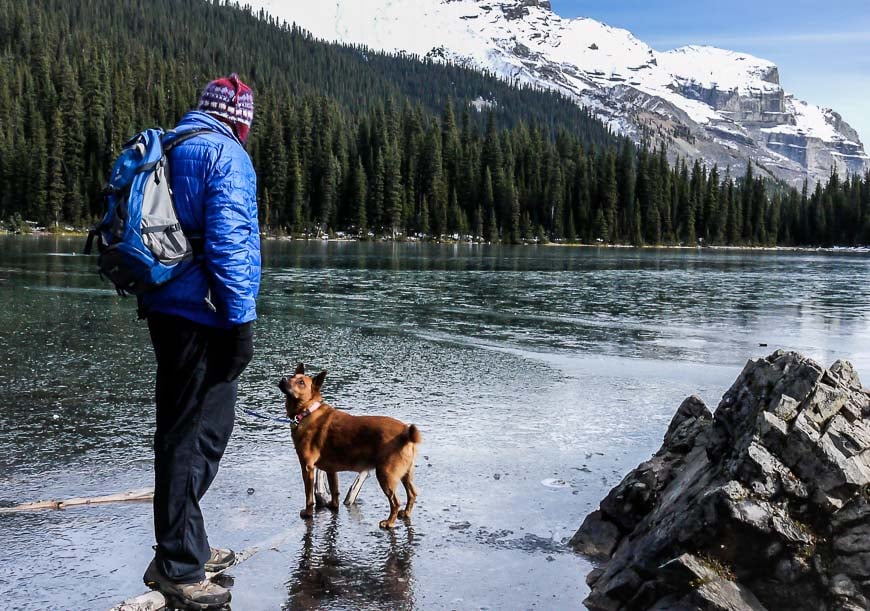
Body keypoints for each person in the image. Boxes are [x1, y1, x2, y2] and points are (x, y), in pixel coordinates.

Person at [139, 73, 260, 609]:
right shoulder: (225, 155)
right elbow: (231, 244)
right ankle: (178, 567)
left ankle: (185, 543)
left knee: (185, 431)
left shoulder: (171, 142)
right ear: (239, 120)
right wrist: (241, 324)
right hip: (204, 317)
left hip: (165, 308)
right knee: (198, 437)